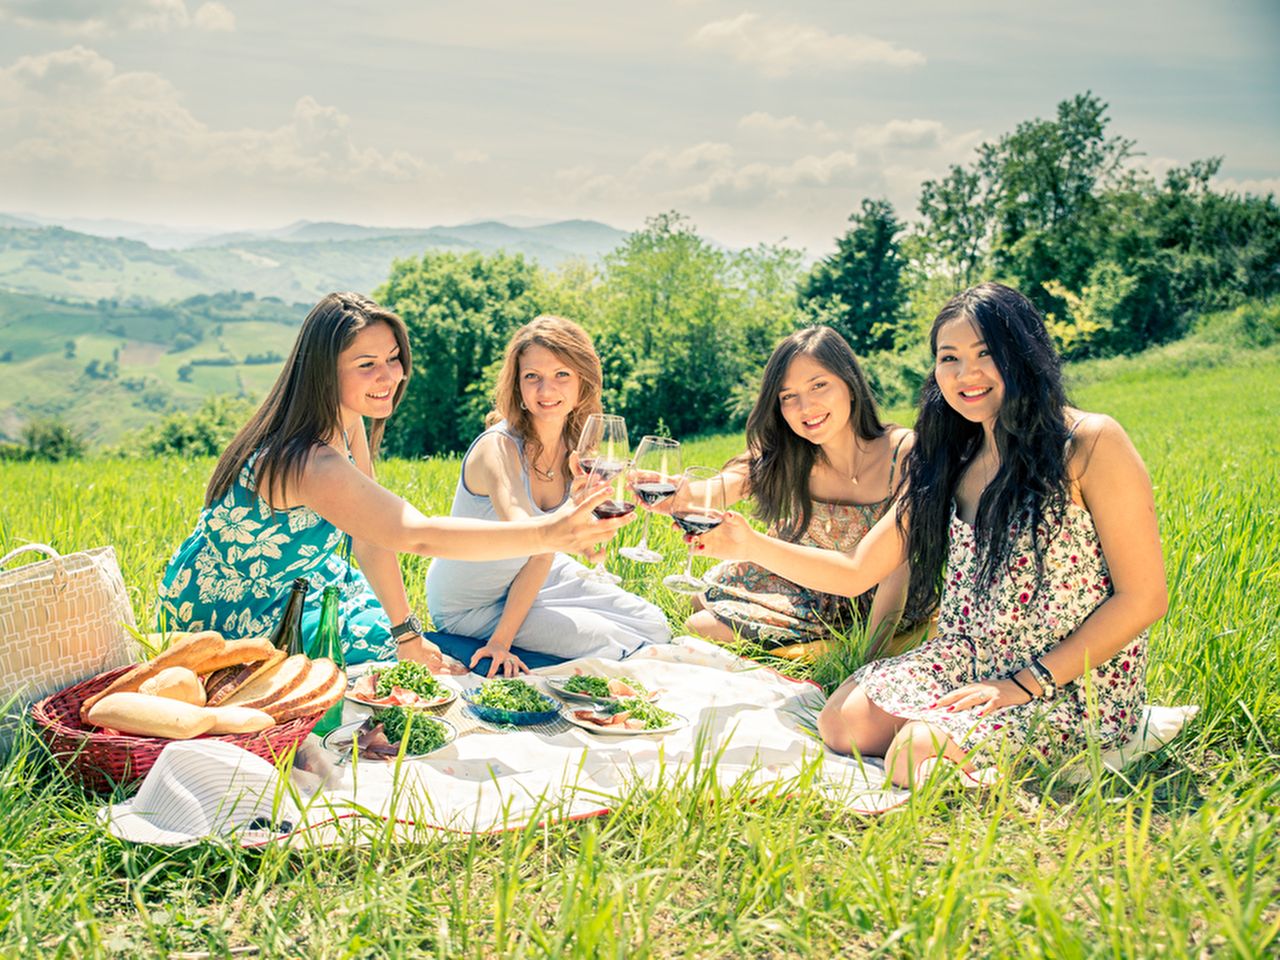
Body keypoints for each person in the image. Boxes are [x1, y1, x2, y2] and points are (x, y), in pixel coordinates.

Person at [691, 283, 1167, 786]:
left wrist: (1024, 684)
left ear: (1025, 354)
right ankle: (949, 739)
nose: (968, 374)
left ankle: (971, 764)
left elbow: (1144, 598)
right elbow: (857, 573)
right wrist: (747, 543)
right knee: (842, 724)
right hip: (965, 656)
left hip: (1070, 676)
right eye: (950, 358)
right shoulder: (950, 456)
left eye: (987, 354)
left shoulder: (1088, 443)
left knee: (912, 753)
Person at [157, 293, 630, 669]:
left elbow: (372, 539)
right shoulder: (307, 461)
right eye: (367, 365)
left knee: (415, 657)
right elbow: (415, 535)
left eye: (392, 358)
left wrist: (406, 633)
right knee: (399, 674)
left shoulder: (347, 423)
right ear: (324, 373)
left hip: (306, 585)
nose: (391, 376)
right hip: (230, 615)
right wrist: (547, 532)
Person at [425, 315, 671, 676]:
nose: (546, 391)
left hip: (534, 575)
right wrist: (499, 643)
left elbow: (544, 554)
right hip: (470, 603)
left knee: (654, 624)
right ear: (517, 386)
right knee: (615, 643)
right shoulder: (498, 447)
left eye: (561, 375)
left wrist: (590, 542)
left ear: (582, 382)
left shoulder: (574, 446)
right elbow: (527, 532)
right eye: (532, 377)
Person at [685, 326, 928, 659]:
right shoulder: (790, 451)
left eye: (819, 385)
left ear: (851, 385)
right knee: (696, 600)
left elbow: (897, 574)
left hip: (869, 599)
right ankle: (806, 645)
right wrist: (680, 492)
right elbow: (722, 486)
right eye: (788, 396)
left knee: (702, 627)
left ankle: (824, 648)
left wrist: (866, 658)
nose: (806, 407)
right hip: (804, 582)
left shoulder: (904, 454)